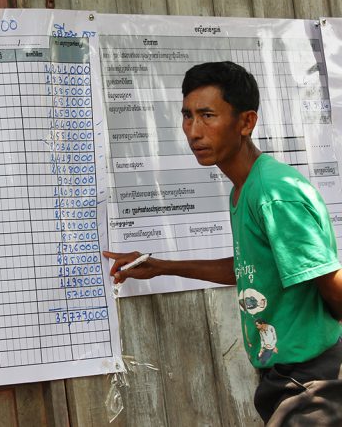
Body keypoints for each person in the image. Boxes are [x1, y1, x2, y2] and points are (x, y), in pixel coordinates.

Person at [102, 61, 342, 425]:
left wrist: (325, 366)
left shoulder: (273, 194)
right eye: (187, 116)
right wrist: (163, 266)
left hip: (310, 379)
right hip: (285, 376)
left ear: (246, 122)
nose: (194, 131)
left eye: (207, 116)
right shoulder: (245, 189)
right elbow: (253, 270)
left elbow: (331, 282)